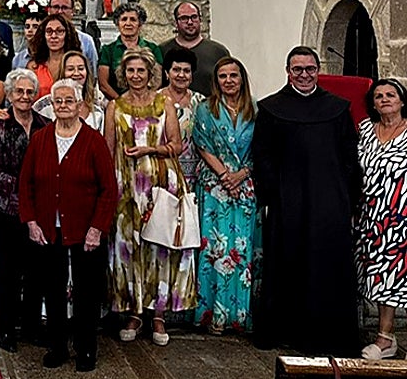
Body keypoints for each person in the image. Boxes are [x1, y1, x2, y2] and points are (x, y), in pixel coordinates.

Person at [251, 46, 361, 355]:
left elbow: (349, 156)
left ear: (318, 70)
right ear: (288, 72)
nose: (303, 75)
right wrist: (275, 193)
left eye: (310, 69)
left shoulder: (337, 108)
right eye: (297, 69)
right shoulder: (272, 108)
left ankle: (329, 334)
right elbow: (263, 156)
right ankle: (287, 331)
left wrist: (348, 199)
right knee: (289, 265)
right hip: (289, 203)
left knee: (328, 266)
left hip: (330, 203)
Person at [19, 78, 117, 371]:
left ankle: (86, 349)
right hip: (49, 228)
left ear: (79, 105)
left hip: (86, 229)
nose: (62, 106)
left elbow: (108, 190)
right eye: (57, 101)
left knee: (88, 292)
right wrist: (32, 221)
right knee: (54, 288)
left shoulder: (93, 140)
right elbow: (26, 184)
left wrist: (97, 228)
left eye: (68, 101)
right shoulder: (40, 138)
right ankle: (58, 346)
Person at [104, 48, 192, 347]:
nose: (136, 76)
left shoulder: (163, 102)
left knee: (160, 247)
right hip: (125, 185)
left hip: (160, 181)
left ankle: (158, 314)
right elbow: (108, 148)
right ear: (123, 74)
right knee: (128, 248)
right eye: (130, 71)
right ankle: (134, 312)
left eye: (141, 71)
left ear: (151, 73)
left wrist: (148, 150)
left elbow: (177, 145)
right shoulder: (114, 106)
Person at [0, 68, 48, 351]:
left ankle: (30, 326)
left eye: (29, 92)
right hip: (6, 208)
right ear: (8, 94)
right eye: (19, 91)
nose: (24, 96)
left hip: (38, 210)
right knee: (9, 271)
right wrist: (24, 186)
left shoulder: (45, 125)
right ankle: (4, 328)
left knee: (36, 271)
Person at [193, 57, 260, 335]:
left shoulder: (255, 110)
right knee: (214, 252)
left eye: (234, 75)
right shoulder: (205, 109)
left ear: (242, 78)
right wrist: (224, 175)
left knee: (241, 252)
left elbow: (262, 148)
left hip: (245, 185)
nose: (229, 80)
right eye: (223, 76)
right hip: (214, 186)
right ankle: (212, 315)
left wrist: (241, 175)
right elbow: (201, 144)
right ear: (216, 80)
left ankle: (240, 317)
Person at [355, 78, 407, 359]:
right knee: (377, 275)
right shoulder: (365, 129)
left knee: (395, 276)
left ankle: (385, 338)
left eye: (391, 94)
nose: (385, 99)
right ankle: (384, 336)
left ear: (402, 100)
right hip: (371, 214)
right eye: (378, 95)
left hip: (402, 216)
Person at [159, 2, 230, 96]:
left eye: (194, 17)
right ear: (176, 22)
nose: (190, 22)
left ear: (200, 20)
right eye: (184, 18)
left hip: (209, 108)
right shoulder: (162, 50)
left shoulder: (218, 52)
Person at [160, 48, 205, 193]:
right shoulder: (155, 100)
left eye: (186, 71)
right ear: (167, 73)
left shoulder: (201, 102)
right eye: (176, 70)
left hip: (195, 174)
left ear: (192, 76)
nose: (181, 75)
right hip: (163, 171)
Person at [98, 3, 163, 100]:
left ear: (140, 24)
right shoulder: (108, 50)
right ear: (117, 24)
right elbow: (103, 84)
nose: (128, 23)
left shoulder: (153, 49)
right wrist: (122, 103)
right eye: (124, 19)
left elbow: (157, 81)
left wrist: (143, 100)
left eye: (133, 20)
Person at [32, 50, 105, 130]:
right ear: (63, 72)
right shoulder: (44, 106)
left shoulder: (97, 107)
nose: (76, 73)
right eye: (70, 69)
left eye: (81, 68)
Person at [28, 13, 80, 98]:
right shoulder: (33, 66)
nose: (53, 36)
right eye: (49, 31)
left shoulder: (76, 64)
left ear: (67, 34)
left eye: (59, 31)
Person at [47, 0, 98, 69]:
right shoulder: (41, 38)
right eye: (56, 7)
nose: (60, 11)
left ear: (73, 11)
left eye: (64, 8)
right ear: (49, 10)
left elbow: (93, 73)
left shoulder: (86, 41)